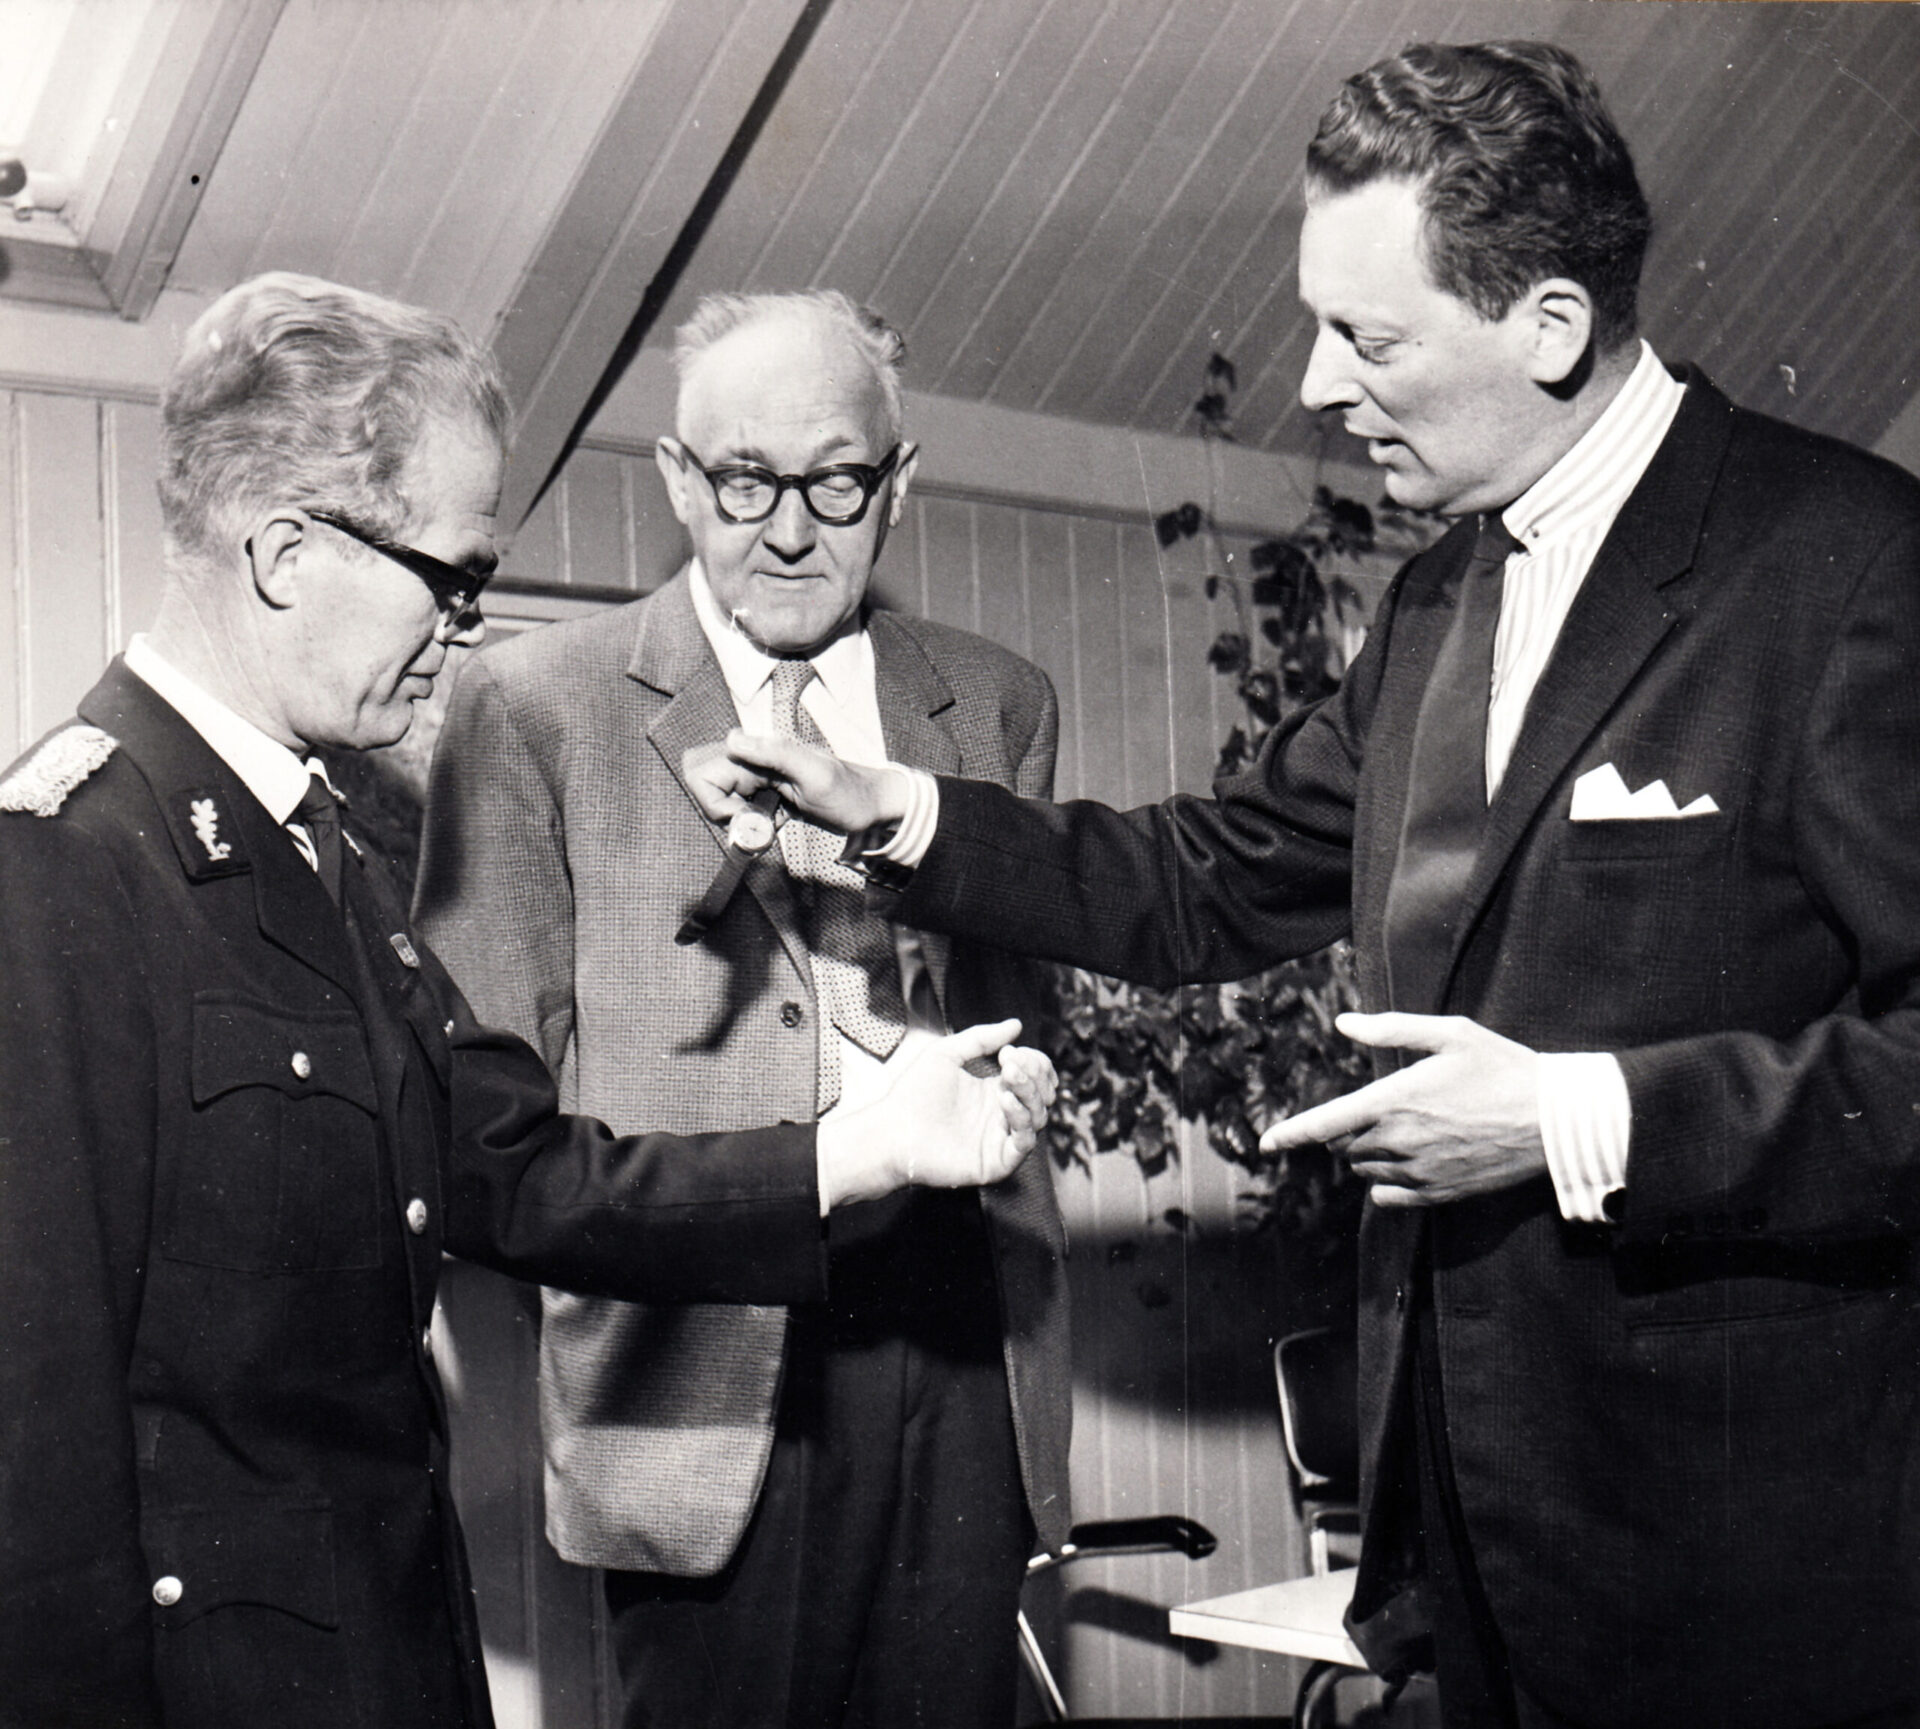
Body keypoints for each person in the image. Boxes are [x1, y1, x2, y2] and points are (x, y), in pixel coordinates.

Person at [692, 42, 1920, 1729]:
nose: (1320, 386)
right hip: (1475, 1555)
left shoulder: (1848, 565)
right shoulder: (1436, 603)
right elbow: (1208, 878)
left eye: (1370, 337)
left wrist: (1577, 1116)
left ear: (1551, 326)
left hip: (1750, 1572)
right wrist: (900, 813)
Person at [0, 272, 1056, 1729]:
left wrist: (863, 1149)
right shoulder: (62, 866)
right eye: (450, 576)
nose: (465, 626)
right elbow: (33, 1452)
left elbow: (514, 1171)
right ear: (289, 552)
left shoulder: (324, 845)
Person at [414, 288, 1069, 1729]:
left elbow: (1021, 1009)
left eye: (835, 482)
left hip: (963, 1345)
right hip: (701, 1370)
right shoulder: (534, 704)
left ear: (899, 483)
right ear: (676, 478)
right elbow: (484, 1126)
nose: (787, 530)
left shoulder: (997, 702)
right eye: (743, 482)